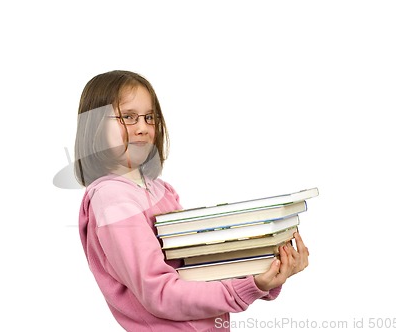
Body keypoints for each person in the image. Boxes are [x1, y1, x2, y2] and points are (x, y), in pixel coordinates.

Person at [74, 70, 309, 332]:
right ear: (94, 125)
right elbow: (160, 293)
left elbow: (197, 268)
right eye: (128, 117)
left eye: (149, 117)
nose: (142, 127)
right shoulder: (113, 198)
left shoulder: (161, 190)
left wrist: (268, 270)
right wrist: (247, 288)